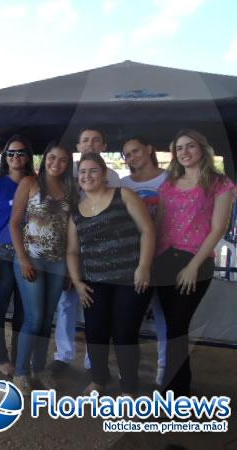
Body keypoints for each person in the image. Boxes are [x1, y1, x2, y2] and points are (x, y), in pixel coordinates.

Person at [154, 129, 235, 396]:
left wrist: (192, 266)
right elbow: (160, 223)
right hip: (164, 259)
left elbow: (218, 229)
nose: (184, 152)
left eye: (190, 146)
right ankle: (177, 388)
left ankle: (174, 392)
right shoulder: (169, 183)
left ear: (202, 148)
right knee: (171, 328)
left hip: (195, 261)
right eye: (179, 148)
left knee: (177, 326)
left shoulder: (219, 183)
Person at [66, 153, 154, 395]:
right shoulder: (76, 211)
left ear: (104, 174)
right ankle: (98, 379)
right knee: (95, 332)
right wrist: (77, 282)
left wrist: (144, 266)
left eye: (93, 170)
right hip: (94, 282)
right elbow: (72, 251)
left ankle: (129, 388)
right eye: (83, 172)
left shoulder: (123, 195)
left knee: (124, 333)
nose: (87, 176)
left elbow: (147, 230)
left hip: (130, 279)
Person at [51, 126, 121, 378]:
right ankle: (63, 355)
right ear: (78, 147)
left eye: (96, 140)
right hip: (67, 250)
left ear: (104, 146)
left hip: (98, 253)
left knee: (97, 308)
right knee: (66, 304)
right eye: (85, 140)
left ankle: (95, 360)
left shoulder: (112, 177)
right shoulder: (65, 174)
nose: (90, 144)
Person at [9, 140, 75, 393]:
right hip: (31, 258)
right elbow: (14, 224)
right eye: (52, 158)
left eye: (62, 160)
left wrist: (69, 268)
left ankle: (39, 369)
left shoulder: (70, 188)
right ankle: (21, 372)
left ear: (68, 164)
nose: (56, 163)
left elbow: (70, 232)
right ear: (44, 158)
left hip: (57, 262)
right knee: (35, 318)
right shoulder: (29, 183)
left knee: (47, 320)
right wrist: (23, 258)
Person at [0, 135, 34, 377]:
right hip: (2, 253)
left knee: (24, 312)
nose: (15, 157)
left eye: (20, 153)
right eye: (11, 153)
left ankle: (19, 357)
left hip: (30, 255)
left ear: (28, 157)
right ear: (5, 157)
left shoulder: (36, 183)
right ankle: (0, 358)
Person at [120, 136, 167, 386]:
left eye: (135, 151)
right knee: (129, 320)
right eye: (127, 154)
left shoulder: (169, 178)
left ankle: (164, 369)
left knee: (164, 317)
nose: (132, 157)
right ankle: (128, 374)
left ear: (149, 149)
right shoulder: (124, 183)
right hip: (133, 260)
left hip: (165, 256)